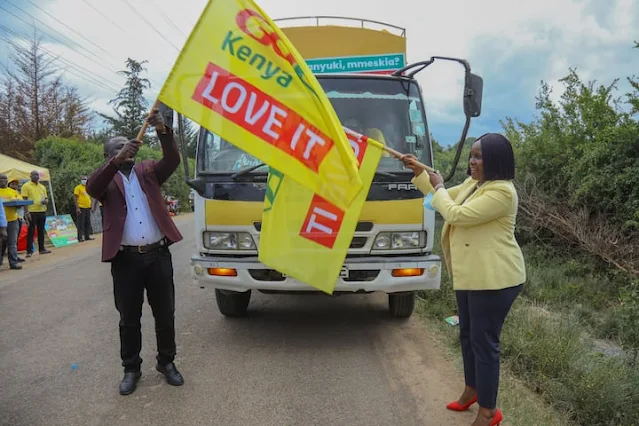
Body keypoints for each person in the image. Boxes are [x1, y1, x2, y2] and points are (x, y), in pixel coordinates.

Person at [401, 133, 525, 426]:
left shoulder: (502, 192)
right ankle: (471, 390)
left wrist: (440, 185)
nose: (472, 161)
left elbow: (456, 214)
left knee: (484, 343)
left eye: (478, 156)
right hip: (471, 275)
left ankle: (488, 411)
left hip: (496, 279)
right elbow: (438, 200)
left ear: (495, 160)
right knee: (468, 335)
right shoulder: (475, 184)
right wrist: (421, 173)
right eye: (471, 155)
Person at [86, 108, 184, 396]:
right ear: (109, 156)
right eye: (117, 147)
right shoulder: (105, 181)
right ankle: (131, 368)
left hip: (158, 256)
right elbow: (92, 187)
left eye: (127, 143)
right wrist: (116, 162)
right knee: (129, 318)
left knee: (165, 313)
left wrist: (162, 130)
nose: (125, 147)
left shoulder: (148, 170)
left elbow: (173, 159)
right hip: (126, 260)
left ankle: (167, 363)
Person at [21, 170, 51, 257]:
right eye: (34, 175)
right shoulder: (26, 186)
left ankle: (42, 249)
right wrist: (26, 213)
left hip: (42, 210)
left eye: (37, 175)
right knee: (31, 231)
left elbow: (46, 198)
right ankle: (29, 251)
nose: (36, 176)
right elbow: (24, 200)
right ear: (30, 176)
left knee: (41, 230)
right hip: (31, 211)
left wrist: (46, 201)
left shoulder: (42, 187)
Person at [0, 174, 24, 270]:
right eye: (1, 178)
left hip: (12, 220)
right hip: (1, 221)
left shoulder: (13, 191)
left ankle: (13, 262)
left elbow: (21, 201)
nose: (3, 180)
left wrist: (18, 204)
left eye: (5, 179)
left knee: (12, 242)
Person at [73, 176, 94, 242]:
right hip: (81, 207)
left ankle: (87, 236)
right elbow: (75, 197)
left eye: (85, 179)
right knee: (80, 223)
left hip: (87, 207)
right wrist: (77, 208)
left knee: (87, 222)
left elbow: (90, 197)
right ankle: (80, 237)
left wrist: (91, 206)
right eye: (83, 179)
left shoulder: (87, 188)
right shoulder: (78, 188)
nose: (84, 181)